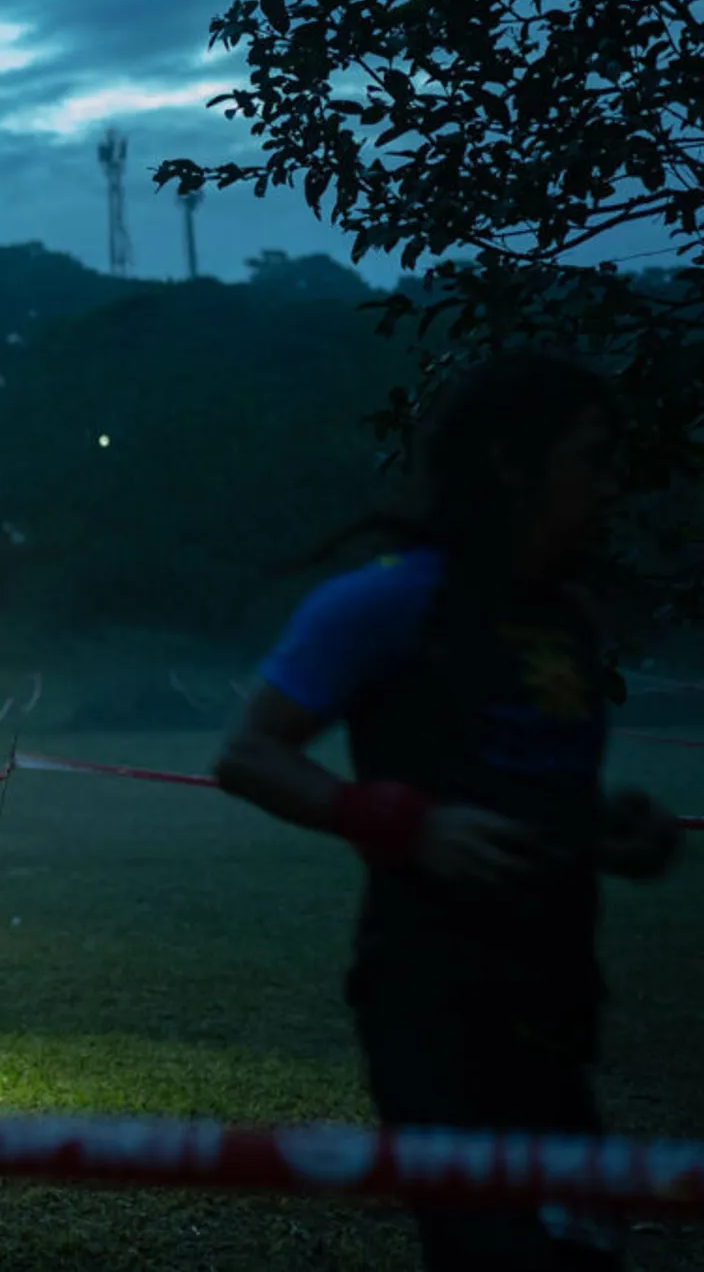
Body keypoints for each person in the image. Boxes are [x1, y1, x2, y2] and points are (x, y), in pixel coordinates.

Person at [212, 351, 684, 1271]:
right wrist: (401, 823)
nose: (614, 486)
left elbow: (522, 782)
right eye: (592, 459)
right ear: (513, 465)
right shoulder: (387, 602)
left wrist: (608, 831)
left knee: (580, 1254)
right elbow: (246, 754)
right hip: (433, 1006)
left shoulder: (569, 620)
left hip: (557, 996)